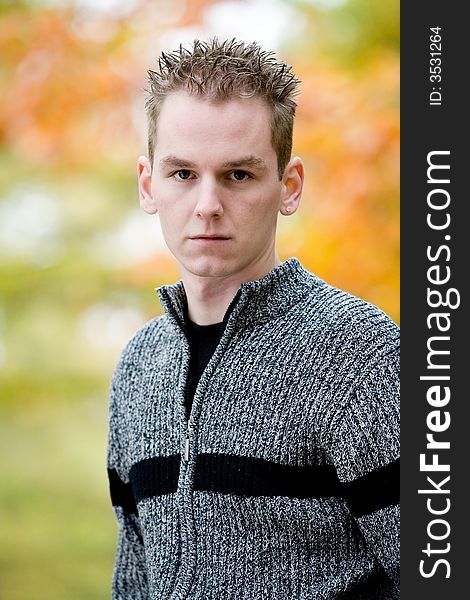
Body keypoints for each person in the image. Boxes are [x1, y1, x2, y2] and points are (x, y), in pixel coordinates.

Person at [107, 38, 399, 599]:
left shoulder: (361, 356)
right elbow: (134, 582)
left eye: (238, 175)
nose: (208, 204)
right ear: (148, 185)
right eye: (183, 174)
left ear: (288, 187)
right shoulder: (138, 367)